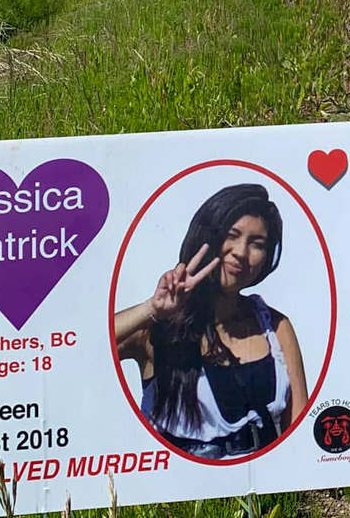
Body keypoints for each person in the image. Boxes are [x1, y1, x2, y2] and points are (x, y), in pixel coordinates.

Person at [114, 184, 308, 460]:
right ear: (207, 237)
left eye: (257, 244)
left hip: (263, 489)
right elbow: (85, 347)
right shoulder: (157, 328)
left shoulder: (275, 327)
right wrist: (151, 309)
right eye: (232, 235)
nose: (241, 252)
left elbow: (299, 432)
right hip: (182, 494)